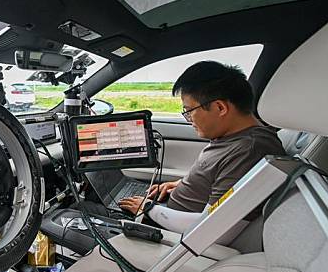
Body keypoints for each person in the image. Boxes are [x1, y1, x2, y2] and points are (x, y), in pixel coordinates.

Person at [118, 61, 285, 237]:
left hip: (169, 231)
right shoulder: (233, 137)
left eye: (190, 110)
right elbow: (216, 178)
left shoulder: (249, 150)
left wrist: (149, 210)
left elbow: (212, 227)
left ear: (220, 107)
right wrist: (181, 185)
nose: (188, 119)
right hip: (168, 213)